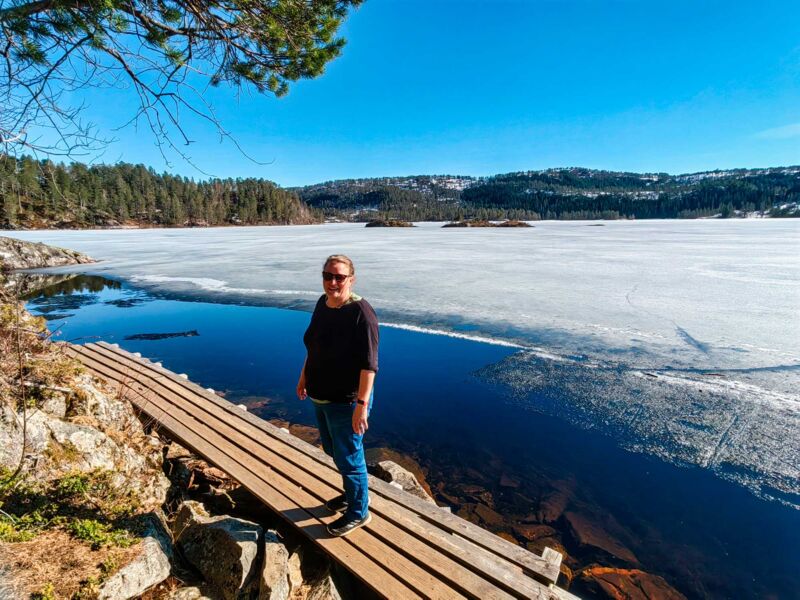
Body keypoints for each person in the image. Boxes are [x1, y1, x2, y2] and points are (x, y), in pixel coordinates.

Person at [296, 254, 379, 537]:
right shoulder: (323, 304)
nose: (333, 282)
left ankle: (359, 511)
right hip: (321, 396)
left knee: (349, 456)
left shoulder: (361, 314)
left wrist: (362, 405)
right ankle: (351, 495)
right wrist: (304, 377)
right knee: (334, 450)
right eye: (328, 276)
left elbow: (369, 366)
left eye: (339, 277)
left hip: (346, 400)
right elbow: (314, 346)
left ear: (351, 279)